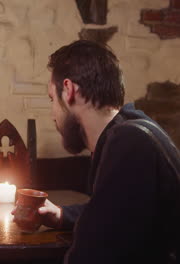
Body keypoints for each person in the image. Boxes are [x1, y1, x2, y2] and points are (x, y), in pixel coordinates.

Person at [30, 40, 179, 263]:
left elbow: (92, 255)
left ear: (69, 90)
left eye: (52, 99)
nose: (53, 114)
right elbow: (119, 215)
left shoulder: (129, 144)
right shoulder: (131, 130)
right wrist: (62, 216)